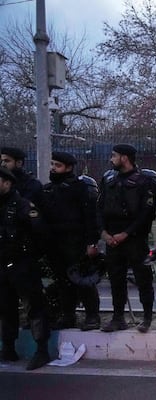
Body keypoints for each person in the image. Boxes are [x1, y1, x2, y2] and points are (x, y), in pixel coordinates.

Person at [97, 144, 156, 333]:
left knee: (143, 279)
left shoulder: (144, 181)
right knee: (116, 280)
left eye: (114, 156)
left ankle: (147, 317)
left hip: (134, 238)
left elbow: (147, 213)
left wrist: (126, 233)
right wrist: (103, 233)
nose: (111, 159)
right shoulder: (109, 179)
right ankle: (118, 318)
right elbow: (99, 208)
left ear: (124, 158)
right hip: (112, 238)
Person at [38, 151, 102, 331]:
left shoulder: (79, 188)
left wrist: (91, 243)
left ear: (68, 168)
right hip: (55, 243)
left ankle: (92, 316)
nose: (53, 168)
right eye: (52, 164)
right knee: (62, 281)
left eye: (57, 165)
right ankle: (68, 315)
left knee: (82, 280)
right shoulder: (48, 189)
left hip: (75, 242)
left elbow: (90, 217)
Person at [0, 167, 51, 370]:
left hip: (22, 264)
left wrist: (30, 257)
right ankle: (8, 347)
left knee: (34, 306)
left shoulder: (22, 206)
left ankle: (41, 350)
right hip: (2, 264)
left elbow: (41, 233)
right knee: (5, 306)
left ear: (7, 183)